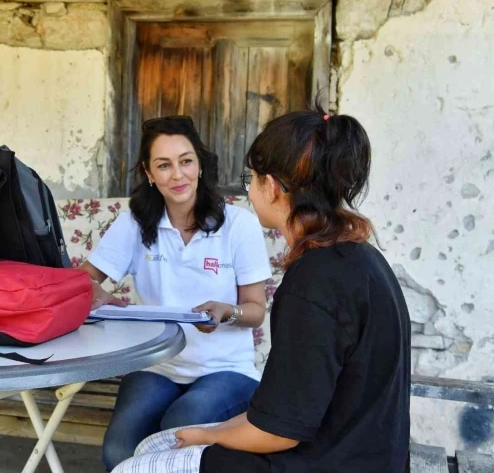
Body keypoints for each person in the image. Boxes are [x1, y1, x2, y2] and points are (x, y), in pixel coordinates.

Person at [112, 105, 412, 473]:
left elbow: (278, 433)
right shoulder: (359, 258)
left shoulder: (314, 282)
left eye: (251, 179)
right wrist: (211, 432)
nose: (249, 191)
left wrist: (211, 437)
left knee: (135, 467)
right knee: (152, 445)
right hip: (355, 451)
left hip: (323, 461)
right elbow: (289, 410)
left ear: (270, 187)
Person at [78, 115, 272, 472]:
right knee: (119, 450)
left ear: (199, 164)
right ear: (149, 174)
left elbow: (255, 310)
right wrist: (106, 300)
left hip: (226, 369)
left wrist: (226, 312)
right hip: (157, 364)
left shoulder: (237, 224)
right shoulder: (135, 223)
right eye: (163, 165)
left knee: (180, 426)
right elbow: (82, 283)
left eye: (185, 161)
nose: (177, 175)